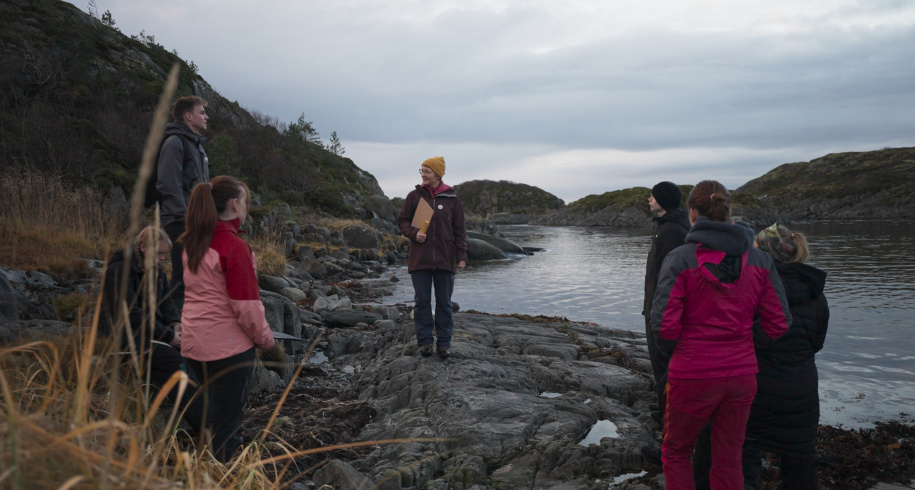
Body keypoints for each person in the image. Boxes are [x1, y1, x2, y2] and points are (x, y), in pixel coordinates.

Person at [650, 180, 792, 489]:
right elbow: (779, 322)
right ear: (729, 212)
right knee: (729, 457)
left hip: (692, 373)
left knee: (676, 451)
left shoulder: (680, 259)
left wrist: (682, 350)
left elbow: (663, 326)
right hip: (741, 374)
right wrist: (743, 342)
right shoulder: (760, 260)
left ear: (692, 214)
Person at [693, 224, 829, 490]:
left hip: (755, 387)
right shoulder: (815, 293)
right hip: (802, 391)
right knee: (800, 463)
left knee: (742, 454)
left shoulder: (752, 285)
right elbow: (817, 342)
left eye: (754, 246)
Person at [178, 176, 275, 462]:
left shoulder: (192, 243)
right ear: (235, 205)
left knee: (215, 417)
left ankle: (205, 468)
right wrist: (266, 340)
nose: (246, 207)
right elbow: (246, 307)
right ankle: (222, 476)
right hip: (228, 350)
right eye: (245, 202)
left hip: (193, 346)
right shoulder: (234, 247)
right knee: (227, 424)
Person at [100, 226, 205, 437]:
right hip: (126, 338)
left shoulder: (155, 270)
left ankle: (210, 424)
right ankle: (210, 430)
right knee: (176, 364)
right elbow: (130, 313)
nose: (162, 259)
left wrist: (176, 323)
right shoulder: (120, 270)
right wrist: (168, 336)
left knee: (195, 354)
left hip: (152, 334)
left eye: (164, 254)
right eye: (158, 253)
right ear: (142, 247)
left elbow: (166, 303)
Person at [397, 156, 468, 359]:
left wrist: (461, 254)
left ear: (438, 174)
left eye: (427, 171)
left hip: (445, 260)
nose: (423, 174)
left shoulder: (452, 199)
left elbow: (460, 230)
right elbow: (402, 221)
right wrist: (413, 233)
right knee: (422, 301)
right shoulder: (414, 196)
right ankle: (425, 342)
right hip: (420, 259)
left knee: (444, 303)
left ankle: (444, 343)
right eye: (422, 170)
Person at [643, 181, 690, 422]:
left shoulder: (671, 231)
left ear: (663, 200)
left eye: (652, 197)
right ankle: (666, 408)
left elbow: (668, 277)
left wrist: (656, 310)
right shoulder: (667, 227)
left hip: (662, 309)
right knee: (661, 363)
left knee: (664, 363)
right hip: (657, 306)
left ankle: (669, 416)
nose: (649, 200)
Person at [158, 95, 210, 309]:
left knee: (194, 275)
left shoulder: (197, 146)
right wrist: (186, 217)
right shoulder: (174, 142)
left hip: (195, 221)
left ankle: (185, 325)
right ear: (188, 116)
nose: (206, 117)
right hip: (181, 221)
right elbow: (168, 185)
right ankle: (171, 326)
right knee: (182, 277)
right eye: (201, 112)